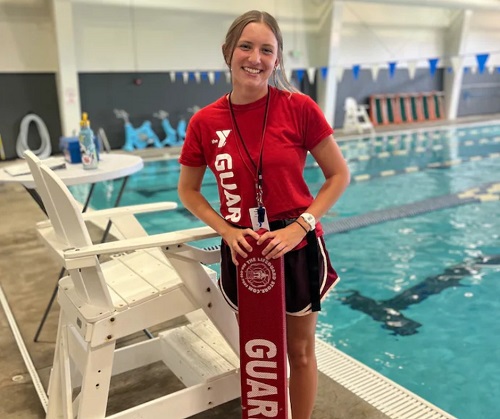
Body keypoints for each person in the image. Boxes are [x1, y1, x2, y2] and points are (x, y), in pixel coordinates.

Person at [178, 10, 350, 419]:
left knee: (300, 351)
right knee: (259, 351)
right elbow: (188, 190)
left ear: (277, 60)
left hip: (295, 242)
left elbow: (338, 175)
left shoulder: (298, 108)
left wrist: (300, 226)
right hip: (244, 249)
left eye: (266, 50)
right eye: (246, 46)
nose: (255, 57)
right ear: (228, 52)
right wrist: (227, 232)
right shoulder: (205, 122)